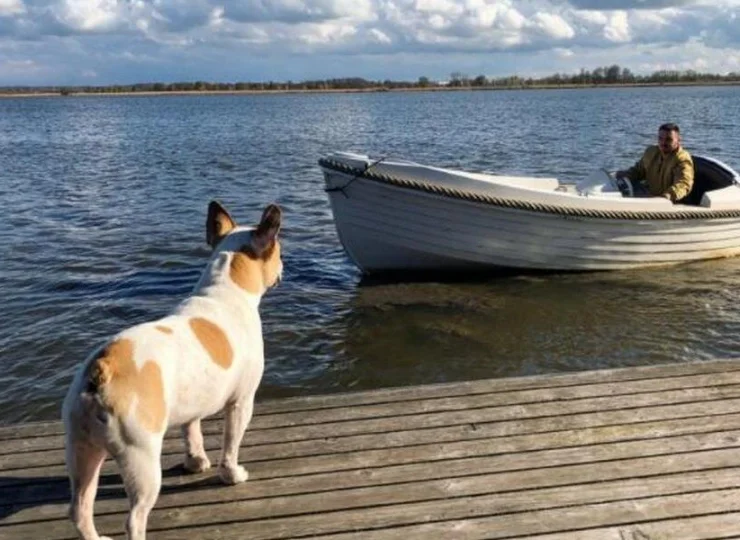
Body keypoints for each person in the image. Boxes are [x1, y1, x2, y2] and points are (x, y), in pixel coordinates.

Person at [615, 123, 694, 203]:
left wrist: (668, 196)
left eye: (668, 139)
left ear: (678, 140)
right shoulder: (651, 152)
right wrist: (623, 175)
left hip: (668, 203)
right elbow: (638, 171)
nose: (663, 143)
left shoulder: (682, 159)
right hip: (648, 195)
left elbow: (683, 184)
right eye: (660, 138)